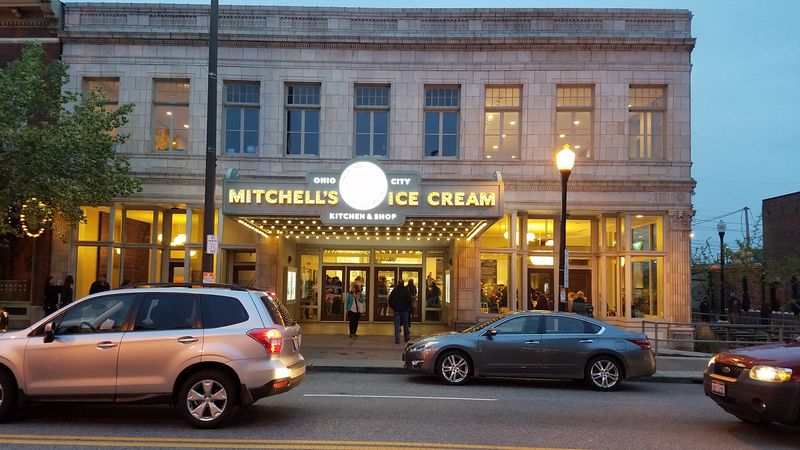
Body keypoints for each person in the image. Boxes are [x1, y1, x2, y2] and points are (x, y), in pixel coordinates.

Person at [388, 278, 412, 344]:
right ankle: (406, 338)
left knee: (397, 325)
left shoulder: (395, 290)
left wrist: (393, 307)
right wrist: (408, 307)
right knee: (406, 324)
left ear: (398, 283)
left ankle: (397, 339)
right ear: (403, 283)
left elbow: (390, 299)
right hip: (404, 310)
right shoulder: (406, 290)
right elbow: (409, 299)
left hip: (397, 310)